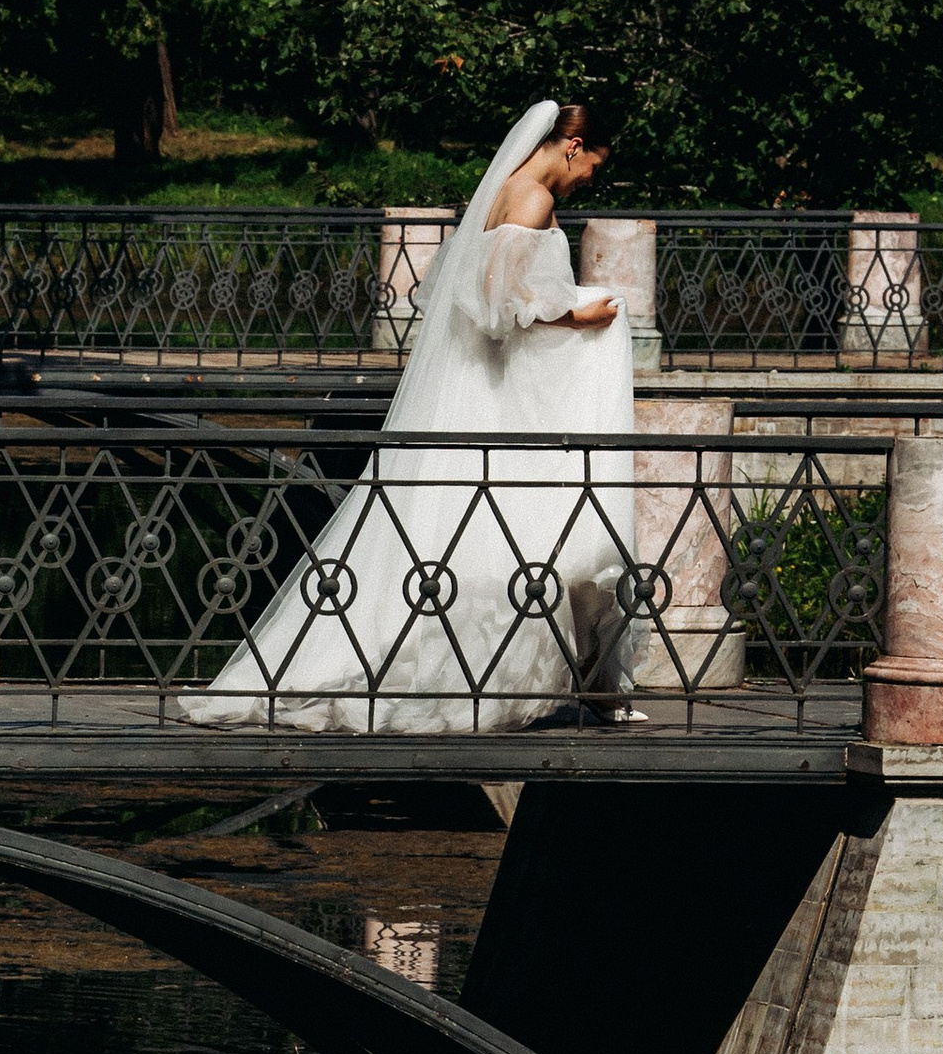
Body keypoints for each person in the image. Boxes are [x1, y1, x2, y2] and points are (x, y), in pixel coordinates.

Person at [181, 99, 638, 731]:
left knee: (457, 529)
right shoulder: (532, 199)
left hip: (485, 385)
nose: (591, 179)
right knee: (498, 532)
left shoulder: (506, 191)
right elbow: (499, 303)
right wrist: (578, 314)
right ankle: (483, 678)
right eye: (593, 165)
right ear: (571, 147)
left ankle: (465, 666)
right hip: (499, 392)